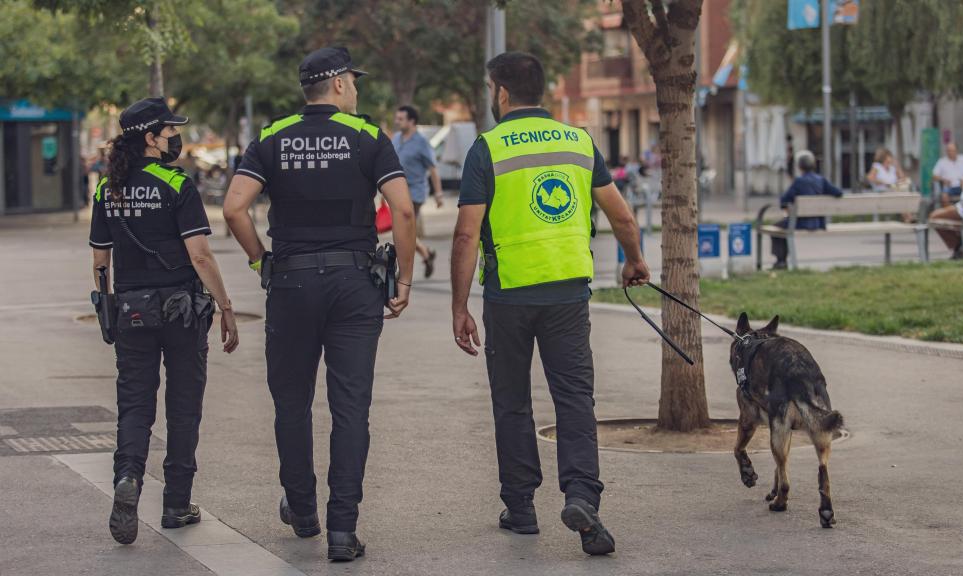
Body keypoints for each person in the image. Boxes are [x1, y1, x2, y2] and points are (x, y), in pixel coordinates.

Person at [450, 52, 650, 556]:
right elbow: (622, 217)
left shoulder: (487, 148)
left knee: (513, 401)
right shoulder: (579, 141)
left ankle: (520, 509)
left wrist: (459, 307)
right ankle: (583, 497)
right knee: (575, 400)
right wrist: (635, 261)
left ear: (501, 92)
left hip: (509, 295)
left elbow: (466, 233)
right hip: (567, 295)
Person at [222, 46, 415, 562]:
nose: (356, 89)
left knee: (291, 402)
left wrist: (260, 259)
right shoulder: (369, 137)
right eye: (353, 81)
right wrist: (405, 280)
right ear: (336, 85)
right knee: (351, 407)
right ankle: (343, 532)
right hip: (355, 286)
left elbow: (234, 208)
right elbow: (402, 208)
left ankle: (303, 511)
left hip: (290, 283)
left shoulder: (269, 138)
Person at [88, 97, 239, 545]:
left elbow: (100, 260)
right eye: (170, 131)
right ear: (151, 138)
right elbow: (200, 254)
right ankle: (176, 503)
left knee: (135, 403)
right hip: (182, 310)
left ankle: (129, 475)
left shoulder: (105, 189)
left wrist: (106, 305)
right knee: (183, 405)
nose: (177, 137)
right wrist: (225, 304)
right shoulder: (176, 183)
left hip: (131, 308)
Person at [392, 105, 443, 277]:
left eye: (400, 119)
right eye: (397, 118)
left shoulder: (422, 143)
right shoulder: (396, 138)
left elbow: (433, 169)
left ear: (412, 121)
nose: (396, 122)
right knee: (405, 232)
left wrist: (438, 193)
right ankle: (426, 254)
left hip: (415, 192)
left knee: (402, 231)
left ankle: (401, 272)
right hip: (397, 192)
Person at [771, 150, 843, 269]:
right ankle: (781, 261)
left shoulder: (799, 181)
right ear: (813, 165)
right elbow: (838, 193)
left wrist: (786, 208)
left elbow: (784, 200)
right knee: (779, 228)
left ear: (799, 166)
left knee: (776, 229)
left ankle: (781, 261)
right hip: (819, 223)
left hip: (801, 222)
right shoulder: (821, 180)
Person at [932, 142, 963, 206]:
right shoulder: (942, 161)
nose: (950, 152)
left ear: (957, 151)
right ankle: (949, 212)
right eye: (948, 150)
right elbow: (934, 176)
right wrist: (943, 180)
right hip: (949, 186)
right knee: (944, 196)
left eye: (952, 150)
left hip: (962, 185)